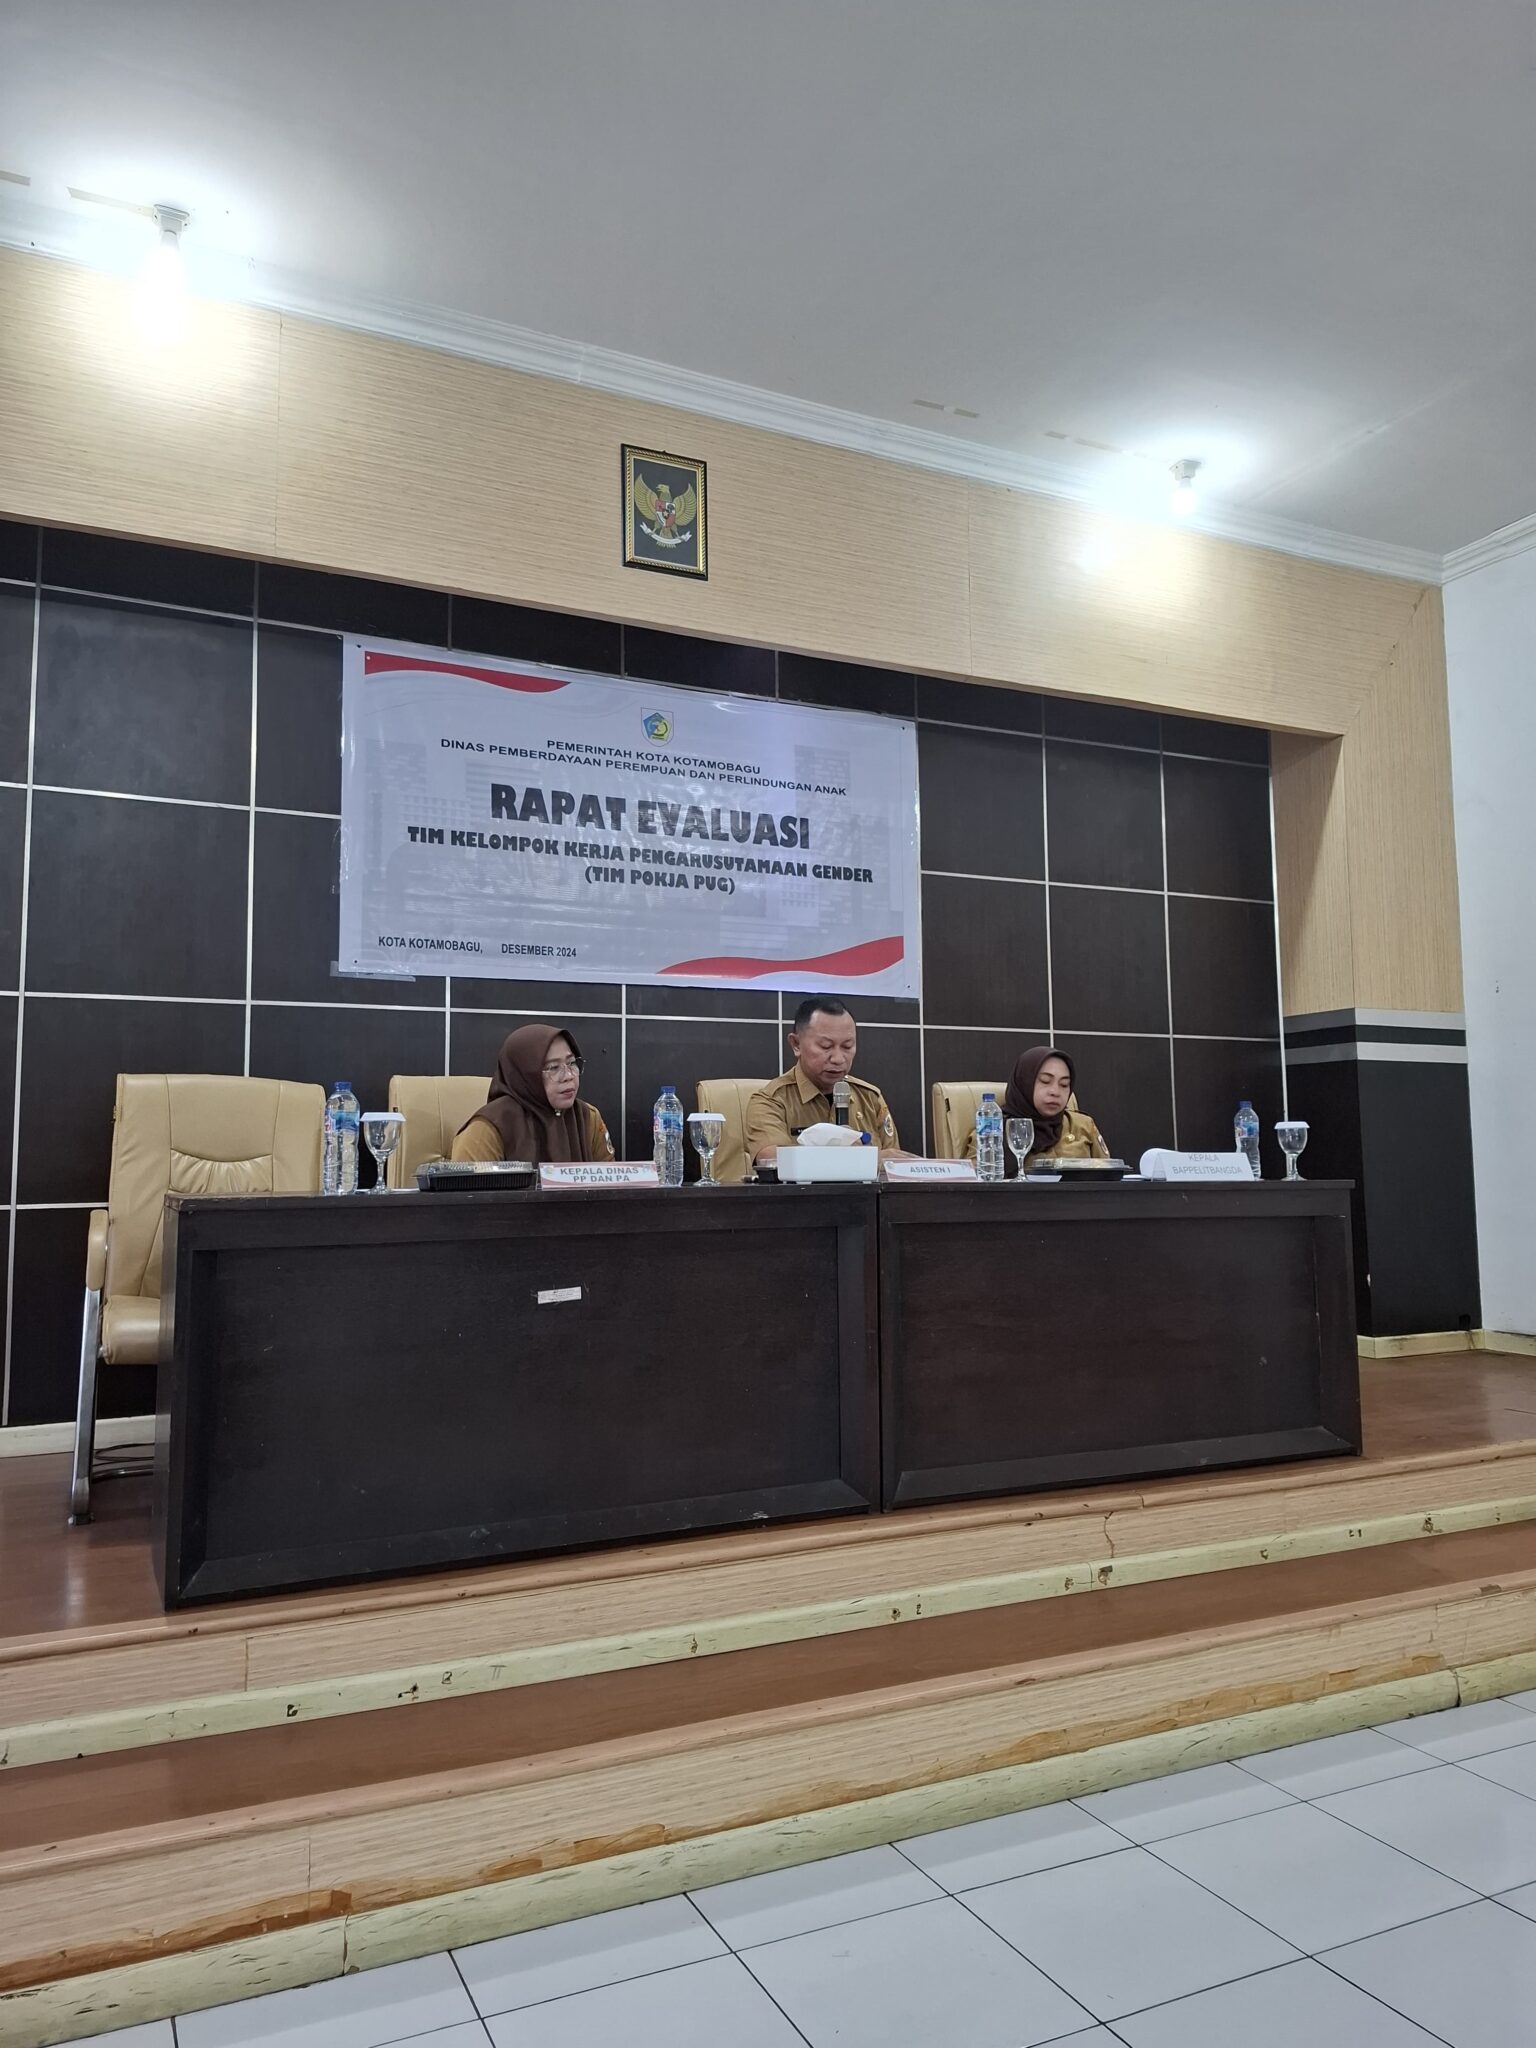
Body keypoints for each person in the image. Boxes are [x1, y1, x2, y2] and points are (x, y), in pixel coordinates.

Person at [744, 995, 909, 1167]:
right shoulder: (770, 1101)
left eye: (847, 1046)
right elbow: (773, 1161)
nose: (838, 1059)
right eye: (825, 1046)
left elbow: (893, 1167)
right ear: (796, 1044)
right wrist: (863, 1159)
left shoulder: (870, 1098)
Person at [451, 1023, 616, 1164]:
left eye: (572, 1063)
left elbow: (613, 1191)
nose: (569, 1076)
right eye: (553, 1067)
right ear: (524, 1075)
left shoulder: (588, 1117)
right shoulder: (487, 1129)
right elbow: (466, 1199)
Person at [966, 1045, 1110, 1174]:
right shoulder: (992, 1130)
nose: (1055, 1091)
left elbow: (1110, 1177)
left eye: (1064, 1084)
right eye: (1045, 1081)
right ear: (1024, 1083)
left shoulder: (1083, 1125)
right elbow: (973, 1185)